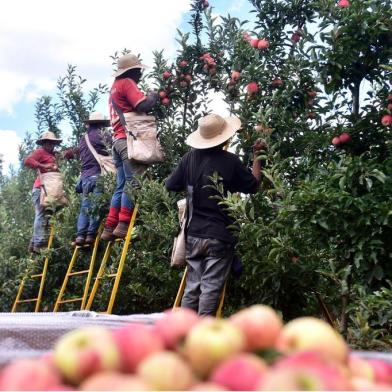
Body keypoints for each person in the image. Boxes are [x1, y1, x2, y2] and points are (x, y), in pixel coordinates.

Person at [165, 113, 266, 316]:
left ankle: (184, 331)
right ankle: (204, 335)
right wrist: (258, 156)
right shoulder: (230, 161)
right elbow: (254, 185)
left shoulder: (189, 159)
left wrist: (192, 183)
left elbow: (170, 184)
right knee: (210, 287)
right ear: (224, 138)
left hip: (194, 234)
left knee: (193, 287)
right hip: (219, 234)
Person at [101, 53, 158, 240]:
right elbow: (142, 105)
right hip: (129, 141)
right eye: (139, 70)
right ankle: (124, 224)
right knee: (133, 183)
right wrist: (154, 96)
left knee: (121, 185)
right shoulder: (127, 83)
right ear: (132, 71)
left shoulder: (114, 88)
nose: (141, 74)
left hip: (117, 142)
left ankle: (110, 226)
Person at [70, 112, 112, 247]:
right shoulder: (102, 135)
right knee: (97, 205)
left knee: (85, 207)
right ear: (101, 124)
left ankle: (80, 235)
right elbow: (113, 147)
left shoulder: (83, 139)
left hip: (85, 178)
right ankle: (90, 235)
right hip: (97, 175)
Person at [24, 131, 62, 253]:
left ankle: (33, 243)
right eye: (48, 142)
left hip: (48, 190)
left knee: (47, 214)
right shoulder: (40, 152)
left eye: (52, 143)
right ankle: (39, 243)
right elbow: (27, 161)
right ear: (44, 143)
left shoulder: (53, 155)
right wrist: (42, 166)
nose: (51, 145)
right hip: (40, 189)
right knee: (40, 214)